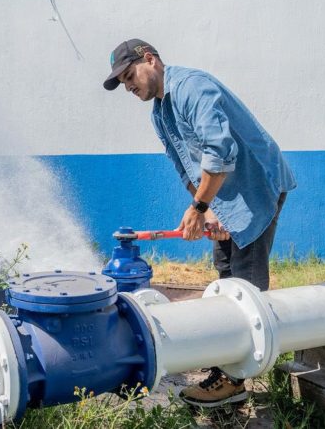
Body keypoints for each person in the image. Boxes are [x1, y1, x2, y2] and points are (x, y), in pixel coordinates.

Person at [103, 38, 295, 408]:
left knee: (245, 277)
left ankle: (236, 378)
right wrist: (208, 210)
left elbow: (221, 151)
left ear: (151, 59)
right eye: (125, 84)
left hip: (256, 187)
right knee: (224, 269)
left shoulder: (192, 87)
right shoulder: (159, 112)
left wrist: (201, 205)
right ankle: (228, 348)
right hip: (223, 194)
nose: (130, 87)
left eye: (131, 76)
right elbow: (185, 166)